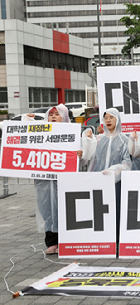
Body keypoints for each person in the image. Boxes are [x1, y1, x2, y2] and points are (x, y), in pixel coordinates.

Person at [77, 108, 131, 241]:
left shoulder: (124, 140)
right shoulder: (99, 139)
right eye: (106, 117)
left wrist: (114, 171)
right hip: (99, 180)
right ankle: (102, 239)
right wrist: (86, 142)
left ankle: (117, 238)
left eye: (111, 117)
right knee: (100, 210)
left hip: (117, 182)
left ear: (117, 120)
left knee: (117, 209)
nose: (108, 120)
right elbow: (87, 157)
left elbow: (127, 163)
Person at [27, 104, 71, 254]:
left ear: (64, 117)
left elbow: (83, 159)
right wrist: (28, 122)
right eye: (51, 114)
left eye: (57, 114)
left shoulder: (71, 134)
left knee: (65, 209)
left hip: (64, 181)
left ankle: (65, 242)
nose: (53, 117)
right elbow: (27, 141)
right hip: (44, 182)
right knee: (47, 210)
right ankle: (51, 242)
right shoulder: (42, 135)